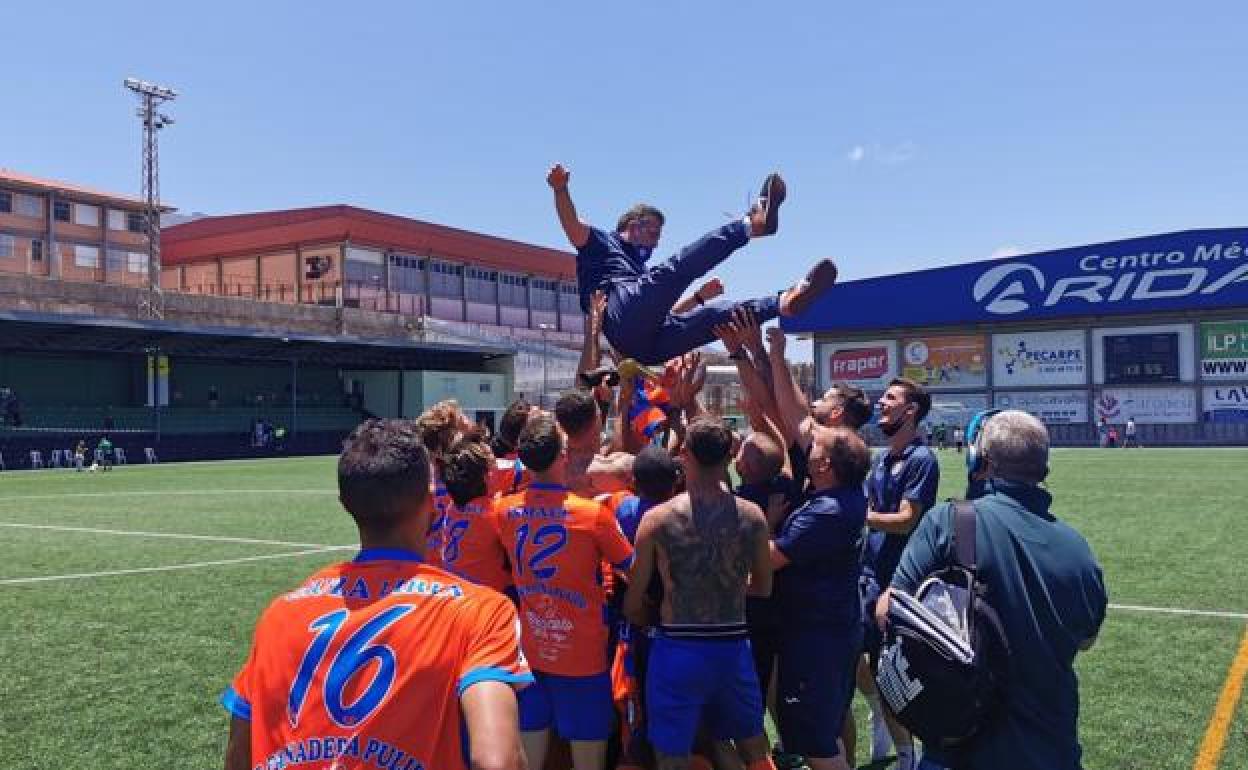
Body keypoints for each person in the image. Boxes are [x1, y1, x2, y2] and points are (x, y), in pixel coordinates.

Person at [220, 419, 532, 770]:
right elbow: (498, 760)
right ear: (431, 503)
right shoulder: (482, 611)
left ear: (346, 504)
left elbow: (239, 751)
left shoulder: (279, 614)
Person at [877, 410, 1107, 770]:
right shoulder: (1080, 551)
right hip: (1051, 749)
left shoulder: (948, 521)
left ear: (978, 460)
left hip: (959, 746)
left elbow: (887, 609)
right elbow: (1086, 641)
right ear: (1043, 472)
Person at [547, 163, 837, 365]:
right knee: (674, 271)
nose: (655, 243)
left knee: (714, 317)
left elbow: (662, 312)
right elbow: (571, 224)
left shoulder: (640, 271)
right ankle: (752, 224)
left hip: (646, 347)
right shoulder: (602, 243)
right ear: (633, 225)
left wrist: (698, 299)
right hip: (618, 312)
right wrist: (561, 190)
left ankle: (782, 302)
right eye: (652, 234)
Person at [625, 418, 776, 770]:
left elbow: (633, 603)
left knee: (672, 754)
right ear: (730, 455)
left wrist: (657, 615)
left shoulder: (658, 520)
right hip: (732, 645)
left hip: (677, 647)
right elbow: (763, 588)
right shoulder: (752, 517)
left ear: (685, 455)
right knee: (753, 744)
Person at [493, 414, 635, 770]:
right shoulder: (593, 515)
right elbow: (632, 570)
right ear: (563, 455)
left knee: (530, 760)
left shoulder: (502, 510)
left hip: (530, 654)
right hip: (583, 658)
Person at [770, 427, 871, 770]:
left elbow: (773, 558)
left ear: (826, 464)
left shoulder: (826, 511)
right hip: (830, 630)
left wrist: (757, 524)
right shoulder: (842, 497)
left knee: (816, 741)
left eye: (815, 446)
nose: (808, 447)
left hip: (817, 637)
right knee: (824, 734)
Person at [859, 378, 940, 770]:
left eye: (890, 398)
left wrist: (856, 517)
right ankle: (879, 713)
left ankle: (909, 755)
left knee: (892, 669)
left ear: (910, 410)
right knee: (860, 662)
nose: (881, 402)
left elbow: (907, 521)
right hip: (868, 574)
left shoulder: (922, 459)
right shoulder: (880, 459)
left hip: (899, 581)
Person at [441, 438, 512, 595]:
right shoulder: (495, 512)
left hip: (453, 589)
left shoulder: (453, 507)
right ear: (486, 477)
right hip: (485, 597)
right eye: (494, 468)